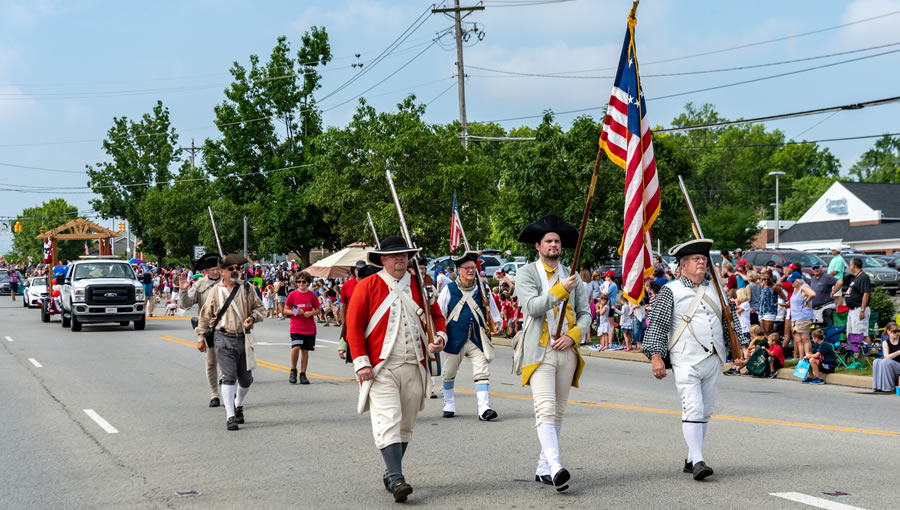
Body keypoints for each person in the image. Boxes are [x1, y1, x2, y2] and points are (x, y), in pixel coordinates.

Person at [345, 235, 447, 503]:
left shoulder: (422, 287)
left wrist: (439, 338)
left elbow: (436, 317)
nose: (400, 259)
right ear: (383, 260)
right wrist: (361, 362)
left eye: (404, 255)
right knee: (388, 418)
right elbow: (353, 326)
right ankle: (398, 478)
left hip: (415, 364)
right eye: (393, 256)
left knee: (405, 423)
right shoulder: (367, 285)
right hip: (381, 368)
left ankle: (391, 471)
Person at [642, 238, 748, 481]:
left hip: (713, 357)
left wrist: (741, 348)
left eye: (703, 259)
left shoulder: (717, 289)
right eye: (696, 259)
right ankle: (699, 461)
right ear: (683, 265)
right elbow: (657, 325)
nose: (702, 262)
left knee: (706, 410)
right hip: (685, 358)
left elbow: (730, 320)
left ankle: (691, 457)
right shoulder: (670, 290)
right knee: (693, 406)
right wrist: (656, 356)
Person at [514, 214, 590, 493]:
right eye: (548, 241)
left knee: (558, 412)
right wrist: (560, 290)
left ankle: (543, 468)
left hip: (567, 352)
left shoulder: (571, 276)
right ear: (538, 246)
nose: (554, 245)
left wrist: (573, 336)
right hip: (539, 351)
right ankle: (557, 466)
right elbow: (532, 307)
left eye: (557, 241)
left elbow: (585, 314)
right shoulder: (526, 274)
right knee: (544, 408)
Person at [195, 254, 265, 430]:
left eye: (238, 268)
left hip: (243, 337)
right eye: (231, 269)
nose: (235, 271)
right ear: (222, 272)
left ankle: (238, 403)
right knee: (229, 377)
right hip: (223, 337)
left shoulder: (247, 288)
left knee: (246, 379)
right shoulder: (216, 291)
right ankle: (230, 416)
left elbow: (260, 308)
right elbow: (205, 315)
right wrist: (201, 337)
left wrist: (253, 318)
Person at [437, 251, 502, 420]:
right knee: (448, 372)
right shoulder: (448, 290)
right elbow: (439, 314)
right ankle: (449, 403)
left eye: (473, 267)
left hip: (477, 338)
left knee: (482, 372)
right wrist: (439, 335)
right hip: (454, 337)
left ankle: (484, 408)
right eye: (467, 268)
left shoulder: (483, 288)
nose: (471, 271)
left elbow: (493, 311)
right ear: (459, 270)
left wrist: (497, 323)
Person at [179, 253, 224, 408]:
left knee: (230, 363)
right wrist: (183, 290)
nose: (216, 272)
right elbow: (185, 304)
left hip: (227, 328)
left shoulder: (227, 282)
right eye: (212, 269)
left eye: (217, 268)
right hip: (210, 329)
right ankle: (214, 394)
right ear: (206, 271)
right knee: (211, 363)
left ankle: (230, 392)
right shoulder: (200, 285)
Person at [284, 271, 320, 385]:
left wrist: (310, 313)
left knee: (305, 350)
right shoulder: (292, 295)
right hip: (296, 327)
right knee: (296, 347)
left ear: (308, 283)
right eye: (298, 282)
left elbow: (318, 309)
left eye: (303, 282)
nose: (301, 284)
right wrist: (296, 312)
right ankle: (293, 370)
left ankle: (303, 374)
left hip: (309, 328)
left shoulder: (312, 295)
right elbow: (285, 310)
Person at [780, 272, 816, 360]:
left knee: (804, 338)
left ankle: (807, 356)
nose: (791, 283)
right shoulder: (795, 289)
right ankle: (801, 358)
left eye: (793, 281)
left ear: (798, 280)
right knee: (798, 339)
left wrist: (807, 301)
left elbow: (812, 294)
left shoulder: (804, 287)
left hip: (804, 317)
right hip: (795, 317)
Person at [844, 257, 871, 358]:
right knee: (852, 334)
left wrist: (862, 310)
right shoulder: (856, 277)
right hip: (852, 310)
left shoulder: (864, 277)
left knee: (862, 334)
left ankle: (867, 357)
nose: (849, 267)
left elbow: (866, 294)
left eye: (850, 265)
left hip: (859, 309)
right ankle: (857, 357)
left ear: (853, 265)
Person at [807, 263, 841, 327]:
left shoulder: (826, 277)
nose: (816, 269)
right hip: (815, 310)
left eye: (817, 267)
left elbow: (839, 282)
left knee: (826, 329)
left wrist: (833, 292)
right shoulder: (813, 278)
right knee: (816, 330)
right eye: (814, 268)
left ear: (821, 268)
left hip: (825, 308)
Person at [872, 322, 900, 392]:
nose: (897, 333)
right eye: (894, 331)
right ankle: (878, 387)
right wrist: (898, 352)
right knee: (876, 361)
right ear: (888, 332)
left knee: (885, 361)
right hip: (890, 364)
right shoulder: (885, 342)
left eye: (898, 331)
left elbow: (887, 358)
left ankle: (889, 388)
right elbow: (886, 356)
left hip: (898, 365)